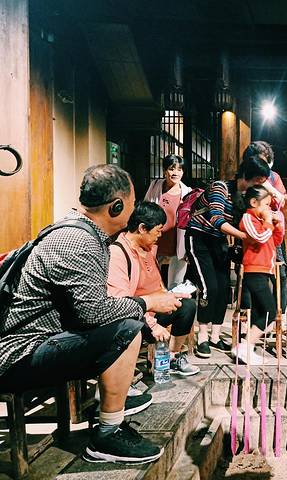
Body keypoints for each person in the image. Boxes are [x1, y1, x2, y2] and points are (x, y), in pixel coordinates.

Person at [0, 164, 185, 464]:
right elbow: (93, 313)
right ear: (116, 206)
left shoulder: (83, 233)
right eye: (132, 203)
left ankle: (113, 407)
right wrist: (148, 302)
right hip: (19, 354)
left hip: (42, 341)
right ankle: (106, 435)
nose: (134, 210)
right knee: (127, 328)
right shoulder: (78, 241)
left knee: (126, 320)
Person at [186, 156, 270, 358]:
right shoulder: (220, 188)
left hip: (219, 242)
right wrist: (244, 237)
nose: (259, 186)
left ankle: (215, 336)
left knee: (224, 288)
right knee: (209, 287)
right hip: (199, 238)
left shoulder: (243, 197)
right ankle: (202, 336)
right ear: (246, 175)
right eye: (257, 181)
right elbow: (216, 218)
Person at [107, 201, 200, 377]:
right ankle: (124, 376)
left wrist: (171, 296)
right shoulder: (118, 253)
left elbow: (158, 285)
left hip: (153, 310)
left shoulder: (149, 250)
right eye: (157, 230)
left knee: (187, 305)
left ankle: (172, 357)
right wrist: (153, 325)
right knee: (132, 323)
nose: (160, 235)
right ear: (142, 228)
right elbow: (122, 302)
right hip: (134, 316)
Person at [235, 185, 285, 363]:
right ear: (253, 202)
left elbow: (275, 241)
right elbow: (261, 238)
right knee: (269, 312)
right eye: (266, 205)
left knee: (259, 313)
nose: (268, 209)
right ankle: (244, 346)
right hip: (254, 271)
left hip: (265, 271)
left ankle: (247, 350)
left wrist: (277, 225)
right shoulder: (248, 218)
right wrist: (268, 221)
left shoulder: (262, 221)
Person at [241, 141, 287, 310]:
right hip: (252, 229)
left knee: (280, 274)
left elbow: (286, 204)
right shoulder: (244, 177)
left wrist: (271, 189)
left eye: (267, 161)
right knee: (250, 274)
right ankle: (249, 315)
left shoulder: (273, 177)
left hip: (273, 230)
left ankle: (279, 314)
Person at [144, 154, 192, 289]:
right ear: (165, 170)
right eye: (172, 169)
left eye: (179, 169)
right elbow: (146, 209)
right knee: (150, 281)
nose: (176, 173)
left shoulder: (188, 192)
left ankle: (173, 303)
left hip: (177, 242)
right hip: (156, 241)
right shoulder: (155, 186)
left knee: (175, 284)